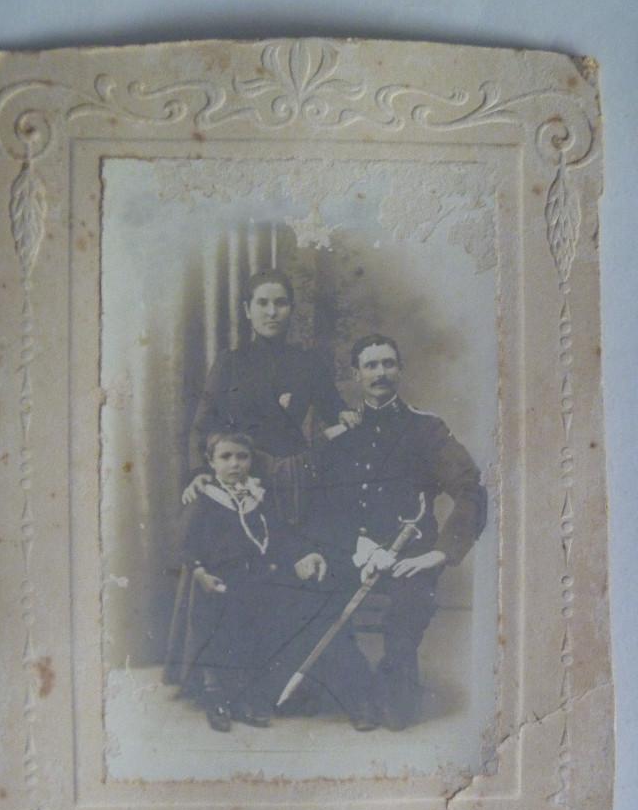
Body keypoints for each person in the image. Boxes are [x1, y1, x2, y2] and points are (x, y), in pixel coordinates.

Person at [306, 334, 487, 730]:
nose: (380, 373)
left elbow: (470, 489)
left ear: (400, 370)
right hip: (353, 549)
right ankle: (357, 689)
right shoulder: (341, 435)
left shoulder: (427, 429)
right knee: (310, 595)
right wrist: (319, 549)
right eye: (370, 365)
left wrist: (440, 553)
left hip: (411, 552)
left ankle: (394, 683)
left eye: (388, 363)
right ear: (356, 375)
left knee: (410, 606)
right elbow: (320, 502)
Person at [178, 430, 375, 732]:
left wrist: (304, 555)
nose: (235, 464)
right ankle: (215, 695)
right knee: (225, 621)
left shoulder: (258, 496)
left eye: (242, 457)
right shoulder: (204, 499)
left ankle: (250, 695)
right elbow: (186, 544)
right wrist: (199, 571)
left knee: (285, 613)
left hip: (260, 576)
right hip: (222, 578)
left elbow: (281, 536)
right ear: (211, 462)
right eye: (225, 457)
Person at [183, 268, 359, 524]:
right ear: (247, 310)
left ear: (291, 309)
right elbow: (203, 424)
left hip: (294, 479)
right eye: (262, 303)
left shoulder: (308, 363)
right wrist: (199, 470)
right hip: (243, 476)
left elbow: (334, 409)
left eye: (281, 303)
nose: (272, 312)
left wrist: (344, 414)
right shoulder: (230, 363)